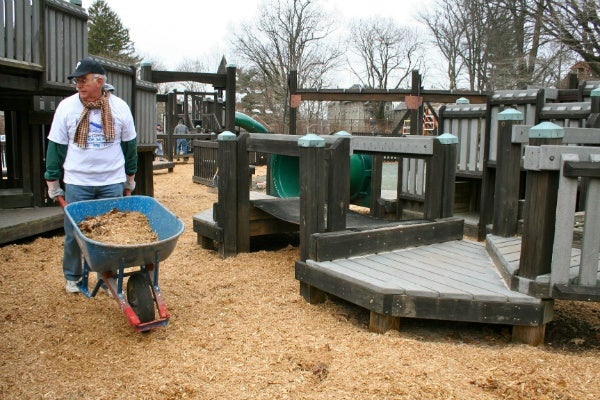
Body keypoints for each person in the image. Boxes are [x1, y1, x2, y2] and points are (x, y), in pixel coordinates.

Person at [44, 57, 138, 294]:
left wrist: (129, 179)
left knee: (111, 232)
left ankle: (108, 276)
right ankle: (73, 277)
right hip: (78, 181)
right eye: (76, 81)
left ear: (99, 81)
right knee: (75, 232)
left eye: (83, 80)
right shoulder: (67, 107)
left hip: (111, 181)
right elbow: (56, 146)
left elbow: (129, 146)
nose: (79, 85)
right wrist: (53, 181)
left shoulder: (119, 107)